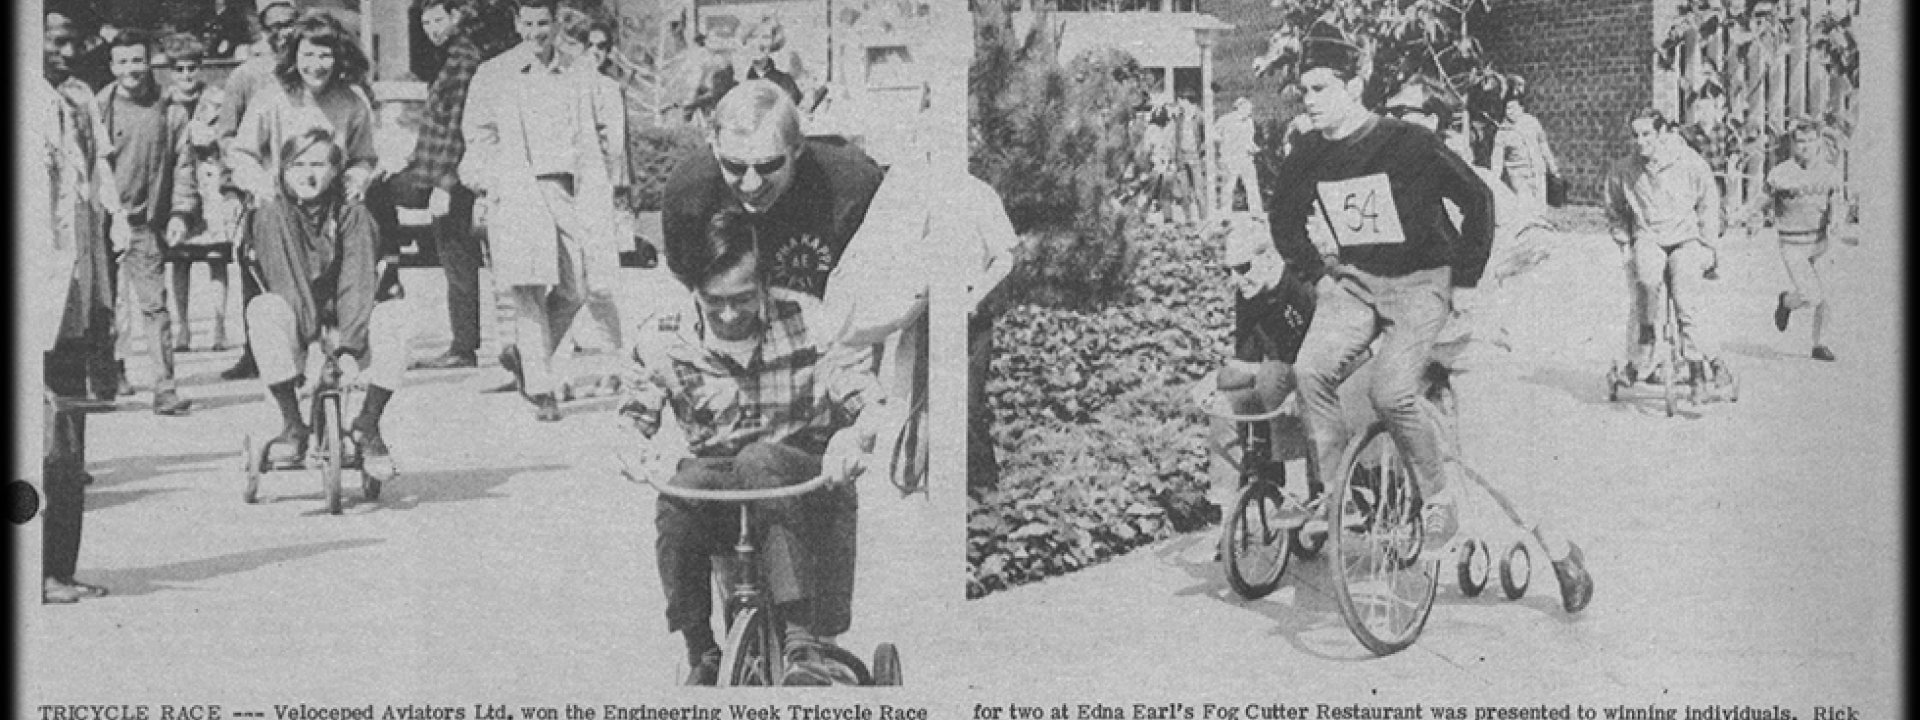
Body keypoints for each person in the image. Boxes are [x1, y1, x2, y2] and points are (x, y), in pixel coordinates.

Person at [622, 209, 891, 686]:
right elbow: (633, 417)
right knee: (680, 488)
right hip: (725, 492)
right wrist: (634, 450)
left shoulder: (808, 318)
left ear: (764, 282)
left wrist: (854, 436)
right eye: (714, 301)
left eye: (743, 299)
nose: (729, 314)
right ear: (694, 292)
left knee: (759, 459)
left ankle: (801, 639)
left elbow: (865, 397)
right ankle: (700, 649)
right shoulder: (662, 335)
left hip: (802, 479)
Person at [1268, 33, 1491, 550]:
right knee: (1310, 370)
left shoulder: (1407, 142)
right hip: (1356, 283)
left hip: (1420, 282)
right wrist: (1316, 274)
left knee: (1389, 390)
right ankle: (1334, 493)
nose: (1311, 100)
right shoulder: (1307, 152)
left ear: (1355, 85)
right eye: (1305, 91)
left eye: (1322, 88)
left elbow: (1476, 199)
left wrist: (1466, 280)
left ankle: (1436, 500)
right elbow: (1283, 222)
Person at [461, 0, 623, 422]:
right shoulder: (494, 74)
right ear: (517, 24)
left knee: (577, 288)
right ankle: (541, 385)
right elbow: (477, 134)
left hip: (569, 189)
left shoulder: (578, 72)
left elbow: (599, 134)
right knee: (529, 289)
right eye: (528, 23)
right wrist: (493, 178)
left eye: (543, 23)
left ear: (555, 23)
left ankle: (526, 356)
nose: (535, 33)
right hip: (518, 190)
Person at [243, 128, 410, 480]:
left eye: (319, 164)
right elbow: (286, 281)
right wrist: (312, 356)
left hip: (346, 316)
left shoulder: (352, 214)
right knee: (262, 310)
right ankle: (292, 423)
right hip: (297, 314)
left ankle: (367, 424)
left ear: (337, 170)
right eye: (297, 165)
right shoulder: (272, 215)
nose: (308, 174)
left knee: (396, 315)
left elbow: (358, 279)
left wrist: (348, 348)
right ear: (283, 171)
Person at [661, 79, 885, 301]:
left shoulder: (852, 185)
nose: (752, 184)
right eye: (735, 166)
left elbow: (882, 287)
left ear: (797, 147)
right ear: (715, 149)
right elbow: (686, 284)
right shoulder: (689, 192)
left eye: (768, 165)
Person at [369, 0, 486, 370]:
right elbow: (434, 125)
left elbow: (458, 127)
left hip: (450, 176)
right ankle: (391, 263)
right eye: (426, 22)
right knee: (378, 190)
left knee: (457, 256)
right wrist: (409, 160)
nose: (432, 28)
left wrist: (445, 185)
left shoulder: (464, 59)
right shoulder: (448, 56)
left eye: (438, 20)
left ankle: (464, 347)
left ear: (455, 18)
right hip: (427, 169)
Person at [31, 70, 108, 605]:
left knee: (65, 443)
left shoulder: (76, 101)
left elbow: (89, 197)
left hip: (67, 294)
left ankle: (58, 567)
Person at [97, 29, 201, 416]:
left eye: (137, 60)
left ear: (149, 62)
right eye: (123, 62)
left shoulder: (169, 109)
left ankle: (165, 387)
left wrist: (179, 213)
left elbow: (183, 163)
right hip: (104, 221)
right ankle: (110, 374)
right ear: (112, 66)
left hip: (145, 223)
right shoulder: (100, 106)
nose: (131, 69)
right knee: (103, 306)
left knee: (155, 306)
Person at [1604, 108, 1731, 388]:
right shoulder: (1625, 170)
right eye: (1635, 135)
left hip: (1685, 238)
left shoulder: (1688, 162)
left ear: (1661, 133)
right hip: (1648, 236)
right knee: (1646, 284)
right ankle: (1643, 352)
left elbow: (1709, 204)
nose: (1640, 141)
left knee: (1686, 300)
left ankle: (1698, 364)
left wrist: (1708, 245)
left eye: (1647, 134)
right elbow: (1614, 208)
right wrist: (1625, 241)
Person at [215, 0, 305, 381]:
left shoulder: (312, 66)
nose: (282, 32)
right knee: (255, 273)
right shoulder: (247, 75)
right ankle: (256, 352)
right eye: (274, 27)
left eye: (289, 24)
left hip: (305, 187)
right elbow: (226, 135)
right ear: (263, 30)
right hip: (260, 191)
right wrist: (237, 185)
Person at [45, 8, 127, 406]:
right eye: (57, 42)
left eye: (75, 42)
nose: (69, 51)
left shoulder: (80, 94)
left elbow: (99, 164)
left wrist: (116, 217)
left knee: (78, 324)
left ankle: (68, 459)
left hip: (80, 223)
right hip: (41, 229)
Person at [162, 32, 237, 354]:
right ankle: (183, 329)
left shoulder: (217, 100)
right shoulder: (164, 103)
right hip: (179, 187)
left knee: (216, 259)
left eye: (192, 68)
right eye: (179, 69)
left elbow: (228, 139)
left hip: (211, 186)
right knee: (179, 261)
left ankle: (219, 326)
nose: (186, 75)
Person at [1747, 119, 1844, 362]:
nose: (1806, 147)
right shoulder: (1780, 174)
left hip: (1820, 242)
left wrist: (1837, 222)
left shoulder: (1829, 173)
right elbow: (1761, 201)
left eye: (1811, 141)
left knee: (1828, 294)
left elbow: (1837, 202)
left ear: (1819, 142)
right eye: (1800, 141)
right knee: (1811, 295)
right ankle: (1787, 302)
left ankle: (1820, 343)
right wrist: (1752, 218)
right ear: (1793, 143)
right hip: (1792, 244)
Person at [1491, 80, 1559, 215]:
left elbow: (1543, 146)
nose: (1511, 112)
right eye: (1508, 109)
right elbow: (1497, 159)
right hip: (1518, 176)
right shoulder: (1502, 132)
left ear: (1522, 108)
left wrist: (1553, 168)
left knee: (1540, 209)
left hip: (1537, 172)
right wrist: (1494, 180)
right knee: (1526, 209)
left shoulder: (1532, 123)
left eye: (1514, 108)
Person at [1216, 96, 1263, 215]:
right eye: (1248, 108)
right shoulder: (1225, 120)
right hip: (1230, 158)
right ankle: (1225, 212)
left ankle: (1256, 212)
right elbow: (1214, 134)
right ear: (1239, 108)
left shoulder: (1249, 122)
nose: (1250, 111)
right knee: (1228, 186)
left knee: (1252, 185)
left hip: (1246, 158)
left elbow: (1249, 139)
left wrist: (1253, 147)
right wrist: (1224, 142)